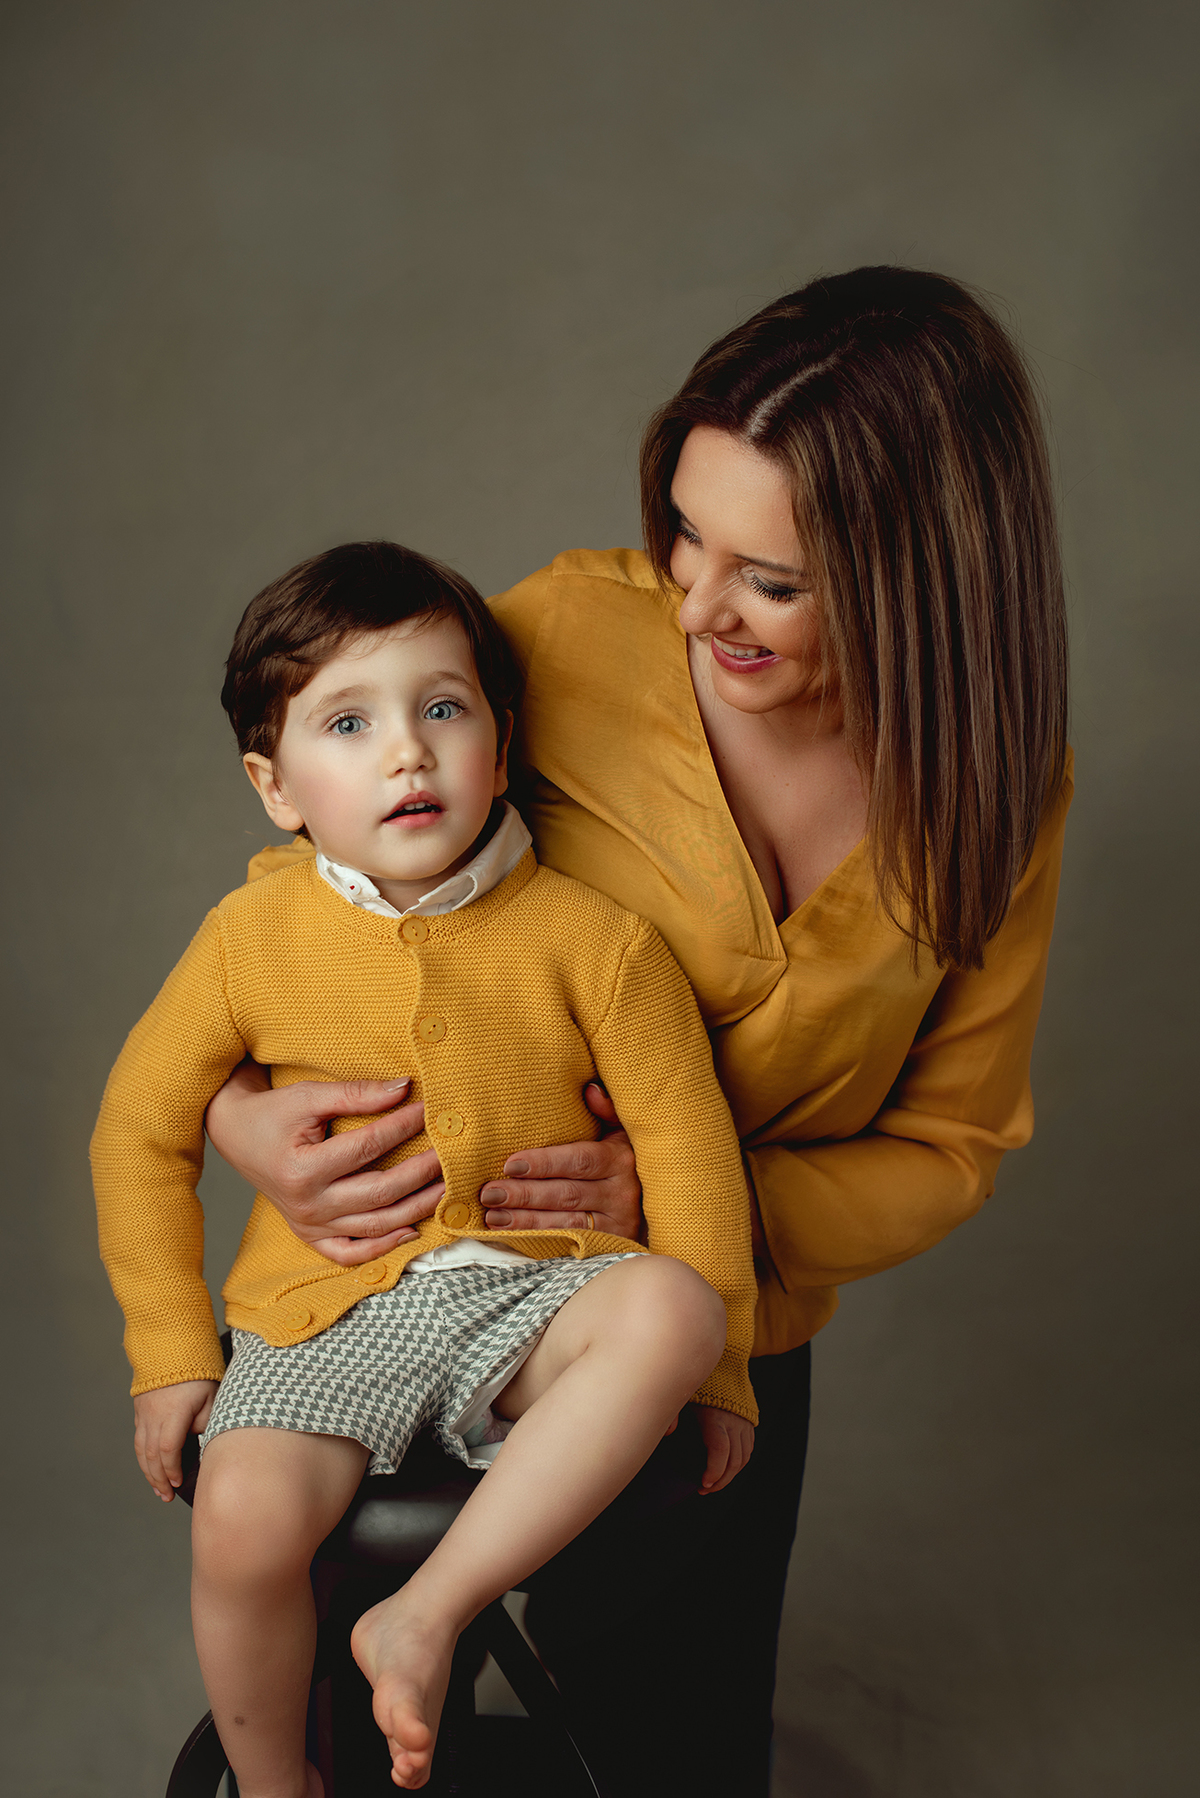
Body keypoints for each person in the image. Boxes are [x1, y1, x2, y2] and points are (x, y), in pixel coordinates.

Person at [203, 266, 1073, 1796]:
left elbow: (953, 1145)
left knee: (676, 1749)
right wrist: (233, 1115)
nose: (697, 598)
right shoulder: (557, 636)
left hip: (720, 1329)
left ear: (920, 573)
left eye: (773, 578)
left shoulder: (998, 785)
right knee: (354, 1745)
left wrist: (689, 1201)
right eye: (685, 529)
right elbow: (317, 895)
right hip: (404, 1269)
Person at [91, 541, 761, 1796]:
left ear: (500, 751)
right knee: (242, 1522)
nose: (408, 751)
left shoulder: (599, 943)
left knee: (675, 1304)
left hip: (529, 1297)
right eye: (349, 722)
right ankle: (278, 1781)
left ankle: (425, 1612)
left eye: (442, 709)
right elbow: (138, 1128)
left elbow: (686, 1144)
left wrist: (719, 1366)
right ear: (275, 784)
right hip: (323, 1315)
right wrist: (171, 1350)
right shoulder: (250, 939)